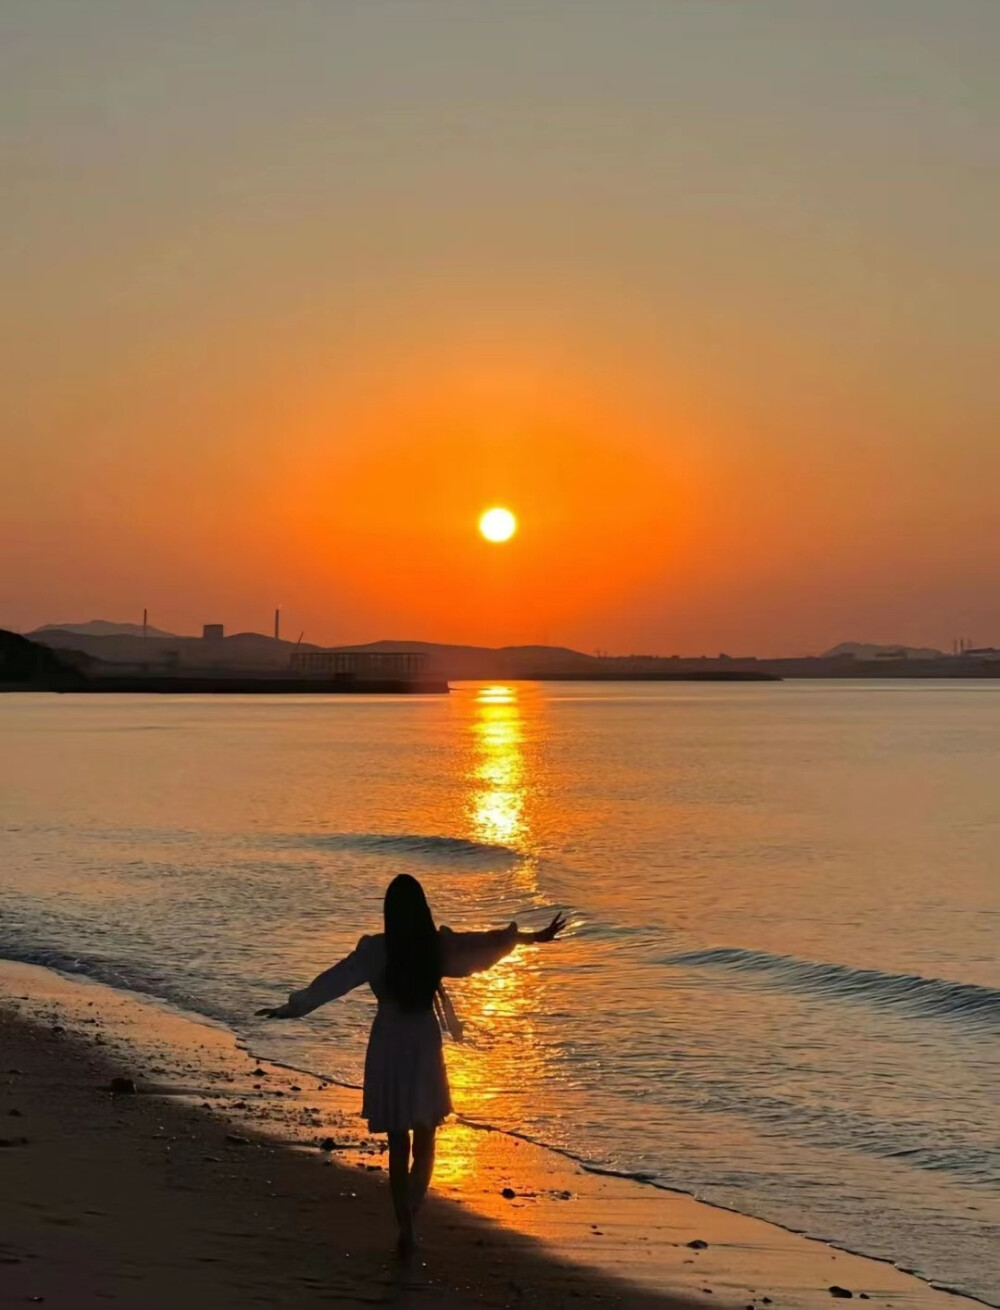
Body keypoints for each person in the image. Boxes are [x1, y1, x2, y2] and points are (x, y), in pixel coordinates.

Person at [255, 873, 565, 1253]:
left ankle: (406, 1222)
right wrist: (530, 938)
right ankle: (412, 1215)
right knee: (426, 1134)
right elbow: (481, 946)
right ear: (422, 910)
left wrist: (293, 1007)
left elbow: (334, 981)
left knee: (398, 1141)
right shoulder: (433, 947)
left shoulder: (375, 950)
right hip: (421, 1039)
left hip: (388, 1041)